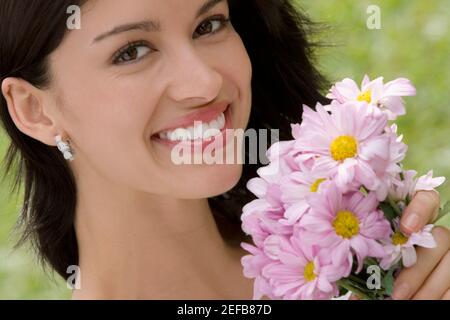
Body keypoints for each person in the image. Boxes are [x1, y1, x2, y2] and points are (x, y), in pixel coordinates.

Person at [0, 0, 448, 299]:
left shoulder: (344, 254)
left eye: (208, 25)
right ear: (34, 110)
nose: (207, 82)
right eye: (132, 51)